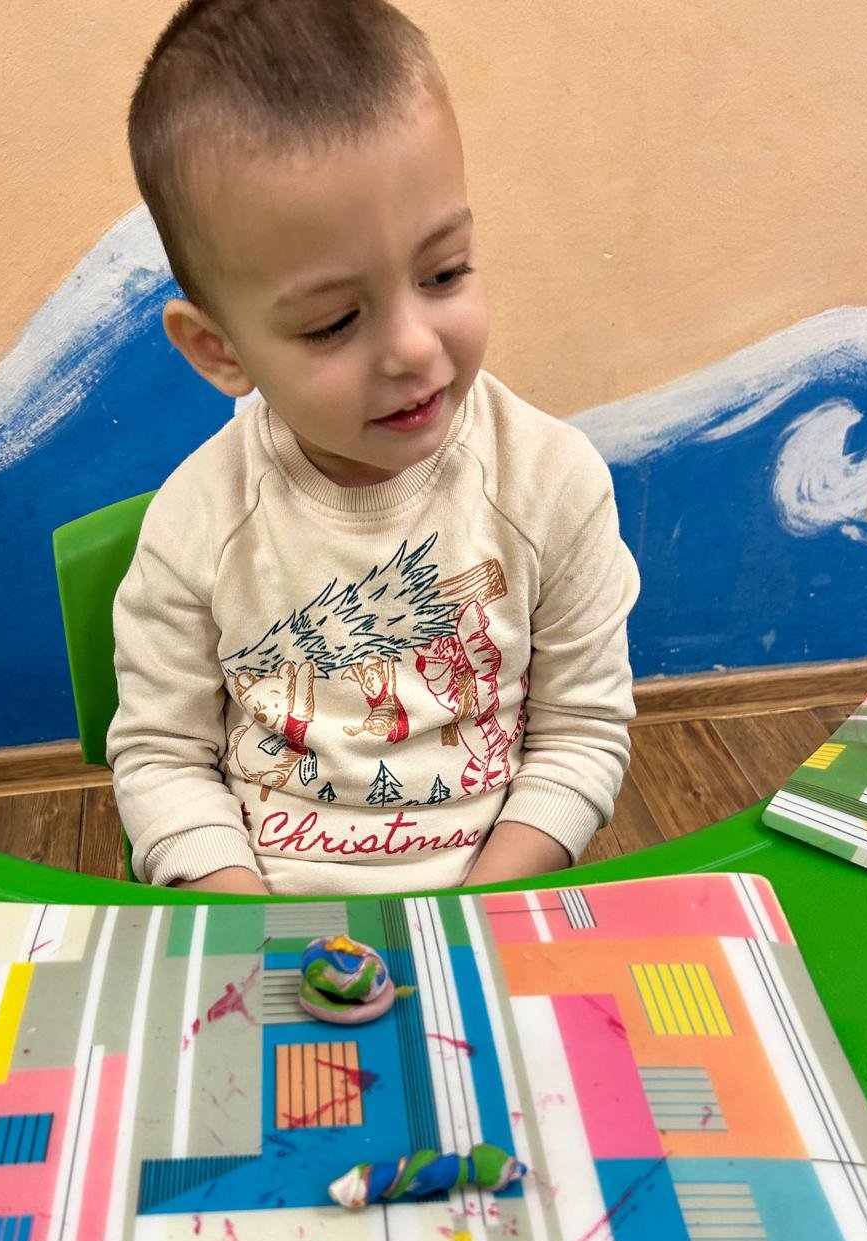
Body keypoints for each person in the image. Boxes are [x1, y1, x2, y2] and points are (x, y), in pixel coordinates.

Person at [108, 0, 639, 897]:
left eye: (444, 273)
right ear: (220, 350)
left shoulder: (553, 485)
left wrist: (477, 913)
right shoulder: (198, 524)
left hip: (492, 904)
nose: (415, 349)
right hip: (262, 918)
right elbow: (162, 758)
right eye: (334, 322)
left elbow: (582, 737)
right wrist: (249, 926)